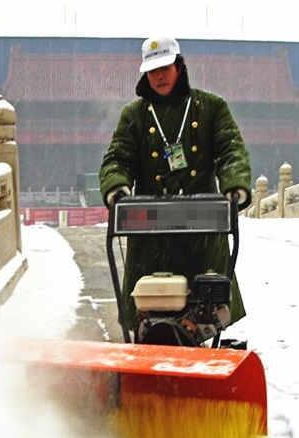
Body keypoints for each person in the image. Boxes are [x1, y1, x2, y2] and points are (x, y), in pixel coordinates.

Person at [99, 36, 252, 331]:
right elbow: (118, 157)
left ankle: (200, 333)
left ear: (179, 66)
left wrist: (235, 184)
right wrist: (116, 186)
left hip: (202, 226)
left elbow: (231, 149)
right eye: (153, 70)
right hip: (151, 231)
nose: (159, 76)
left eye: (165, 67)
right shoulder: (135, 116)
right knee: (148, 306)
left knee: (205, 306)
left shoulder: (211, 107)